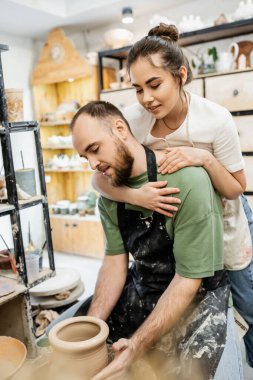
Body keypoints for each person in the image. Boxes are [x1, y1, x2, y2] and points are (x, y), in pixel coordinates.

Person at [92, 23, 253, 368]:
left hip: (226, 219)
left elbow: (237, 188)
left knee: (246, 304)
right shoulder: (133, 121)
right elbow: (99, 181)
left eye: (155, 84)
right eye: (137, 89)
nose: (146, 98)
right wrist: (137, 198)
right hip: (176, 219)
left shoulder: (215, 119)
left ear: (180, 75)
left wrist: (204, 158)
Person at [69, 100, 241, 380]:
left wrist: (136, 345)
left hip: (197, 292)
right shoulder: (110, 195)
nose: (92, 164)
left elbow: (188, 280)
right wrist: (93, 327)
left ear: (120, 129)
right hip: (147, 282)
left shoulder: (188, 182)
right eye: (83, 157)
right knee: (91, 343)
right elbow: (115, 264)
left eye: (95, 149)